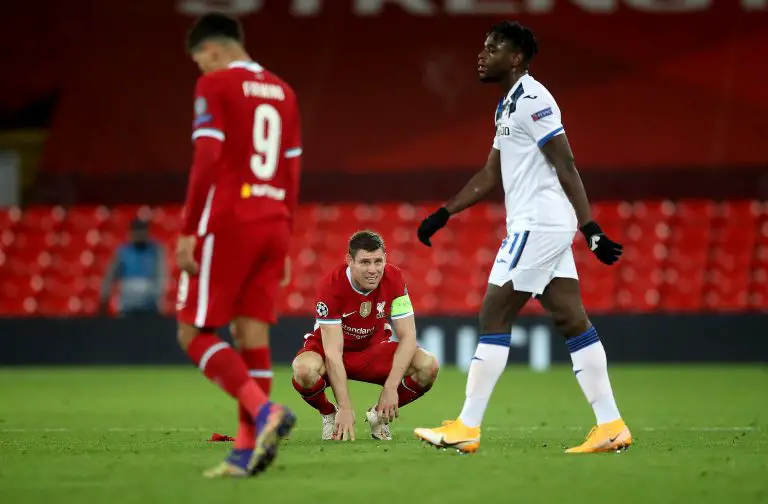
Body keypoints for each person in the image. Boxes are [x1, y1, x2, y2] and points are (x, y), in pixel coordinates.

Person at [413, 21, 631, 454]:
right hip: (538, 225)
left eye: (493, 48)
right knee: (572, 320)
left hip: (539, 225)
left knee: (494, 313)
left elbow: (566, 164)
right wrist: (444, 213)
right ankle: (611, 425)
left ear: (515, 58)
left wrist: (591, 229)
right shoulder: (507, 107)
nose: (482, 54)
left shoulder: (534, 100)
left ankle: (467, 427)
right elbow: (491, 172)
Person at [175, 12, 301, 477]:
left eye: (200, 62)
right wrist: (286, 239)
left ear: (211, 50)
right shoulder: (285, 93)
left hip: (229, 221)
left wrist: (189, 228)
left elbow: (206, 157)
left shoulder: (216, 85)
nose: (201, 72)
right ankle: (247, 451)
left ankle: (263, 410)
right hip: (273, 222)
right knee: (252, 336)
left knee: (192, 333)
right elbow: (291, 172)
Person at [291, 231, 439, 441]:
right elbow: (333, 353)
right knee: (303, 369)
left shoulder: (394, 278)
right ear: (350, 261)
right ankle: (329, 414)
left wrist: (390, 387)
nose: (373, 270)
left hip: (372, 350)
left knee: (428, 365)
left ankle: (379, 416)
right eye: (365, 262)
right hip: (331, 351)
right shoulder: (331, 286)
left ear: (385, 259)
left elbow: (408, 336)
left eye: (378, 261)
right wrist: (344, 407)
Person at [99, 218, 167, 316]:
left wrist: (160, 299)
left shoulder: (155, 251)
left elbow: (162, 275)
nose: (139, 235)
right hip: (128, 305)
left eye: (142, 232)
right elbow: (110, 276)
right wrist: (104, 297)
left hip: (150, 304)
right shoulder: (123, 252)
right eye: (137, 232)